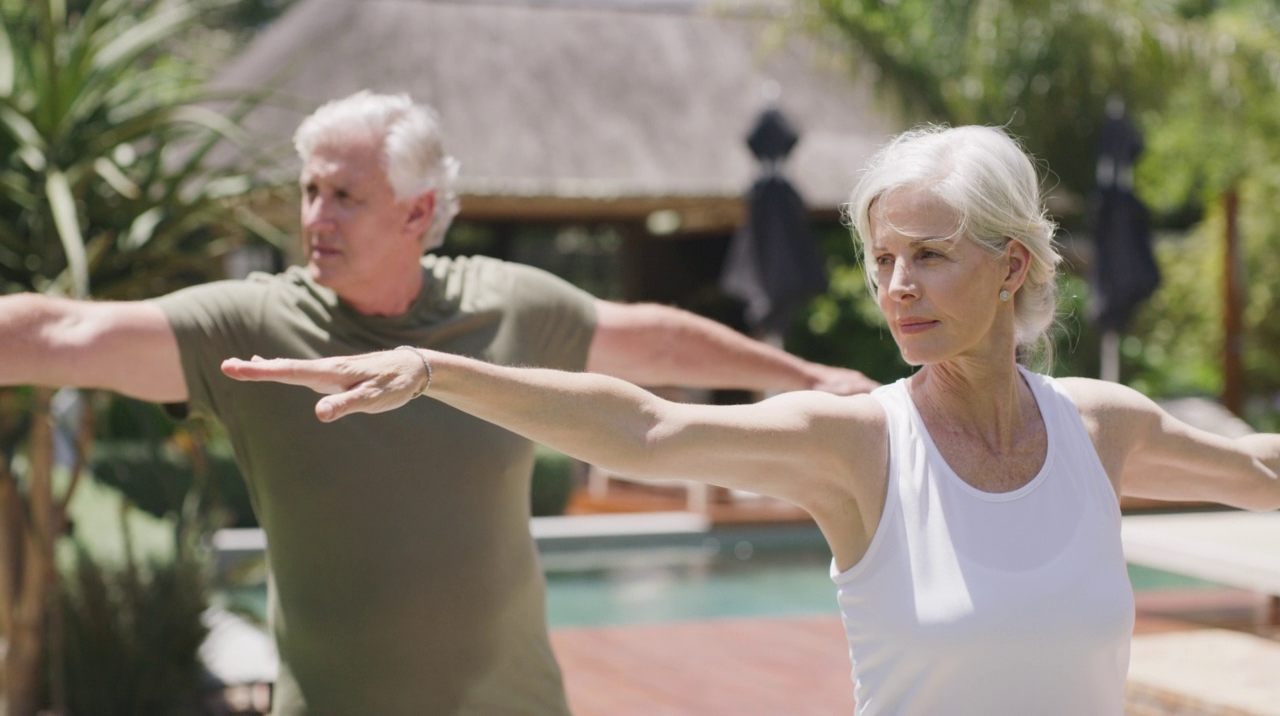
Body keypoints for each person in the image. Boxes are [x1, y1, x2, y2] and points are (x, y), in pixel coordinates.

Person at [223, 123, 1280, 715]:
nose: (895, 286)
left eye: (928, 254)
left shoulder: (1100, 429)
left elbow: (1258, 470)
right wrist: (439, 369)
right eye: (879, 260)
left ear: (1010, 267)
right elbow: (643, 429)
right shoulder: (860, 444)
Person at [0, 90, 878, 715]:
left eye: (346, 195)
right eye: (310, 190)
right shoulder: (249, 321)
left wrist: (803, 378)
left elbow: (652, 337)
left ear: (419, 212)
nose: (316, 216)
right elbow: (62, 335)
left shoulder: (507, 304)